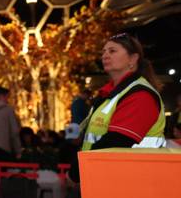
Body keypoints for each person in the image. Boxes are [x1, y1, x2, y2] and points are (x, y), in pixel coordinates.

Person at [69, 33, 166, 183]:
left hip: (133, 181)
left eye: (112, 51)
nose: (105, 55)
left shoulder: (140, 95)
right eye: (104, 52)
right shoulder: (108, 94)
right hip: (108, 177)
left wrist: (75, 172)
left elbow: (116, 141)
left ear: (133, 59)